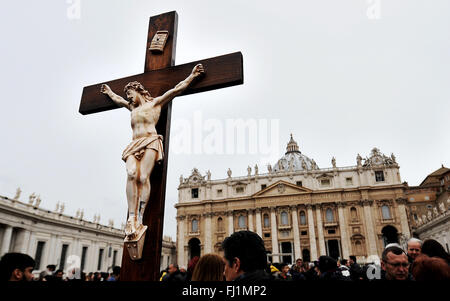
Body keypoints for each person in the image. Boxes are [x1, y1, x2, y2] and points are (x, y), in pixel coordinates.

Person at [100, 64, 205, 240]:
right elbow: (117, 100)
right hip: (134, 144)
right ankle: (131, 217)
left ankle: (140, 216)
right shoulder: (131, 108)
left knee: (142, 178)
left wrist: (192, 76)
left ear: (138, 91)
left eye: (130, 94)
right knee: (131, 173)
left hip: (150, 141)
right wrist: (110, 92)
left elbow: (176, 89)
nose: (128, 98)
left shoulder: (155, 103)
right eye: (127, 95)